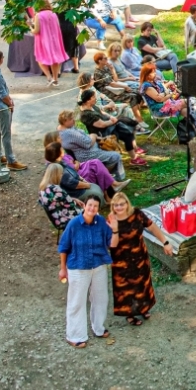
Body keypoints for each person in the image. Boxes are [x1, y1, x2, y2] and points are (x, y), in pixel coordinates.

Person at [58, 197, 115, 347]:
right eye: (90, 205)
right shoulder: (74, 224)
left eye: (95, 206)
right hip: (78, 266)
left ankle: (98, 328)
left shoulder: (101, 222)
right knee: (77, 301)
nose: (92, 208)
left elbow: (112, 243)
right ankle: (75, 335)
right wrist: (63, 269)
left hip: (98, 265)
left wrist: (115, 228)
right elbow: (63, 247)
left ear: (98, 208)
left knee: (101, 298)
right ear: (85, 206)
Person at [108, 192, 167, 326]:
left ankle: (143, 308)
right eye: (116, 205)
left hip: (139, 256)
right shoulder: (111, 220)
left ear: (127, 203)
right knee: (127, 289)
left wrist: (165, 242)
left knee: (143, 284)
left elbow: (151, 226)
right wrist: (115, 229)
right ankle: (130, 314)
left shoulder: (137, 214)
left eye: (122, 204)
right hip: (121, 262)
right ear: (113, 206)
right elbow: (112, 244)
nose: (119, 207)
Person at [60, 107, 128, 181]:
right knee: (116, 156)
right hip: (87, 154)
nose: (74, 120)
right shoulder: (69, 133)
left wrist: (96, 138)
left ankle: (108, 177)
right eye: (71, 119)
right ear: (65, 121)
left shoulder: (66, 128)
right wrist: (94, 135)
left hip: (89, 150)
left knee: (110, 146)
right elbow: (87, 144)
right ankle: (105, 177)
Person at [0, 50, 27, 171]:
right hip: (1, 107)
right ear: (1, 60)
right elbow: (3, 94)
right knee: (6, 134)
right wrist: (10, 104)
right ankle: (11, 160)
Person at [30, 2, 69, 85]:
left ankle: (49, 77)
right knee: (55, 59)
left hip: (43, 40)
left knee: (40, 58)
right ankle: (55, 78)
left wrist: (30, 26)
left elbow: (36, 30)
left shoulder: (38, 15)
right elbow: (58, 26)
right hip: (55, 40)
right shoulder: (54, 14)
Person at [38, 163, 82, 231]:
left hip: (56, 218)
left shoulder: (42, 189)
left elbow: (58, 201)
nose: (62, 175)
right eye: (61, 174)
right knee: (92, 213)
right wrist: (78, 204)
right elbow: (71, 205)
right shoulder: (56, 189)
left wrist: (73, 199)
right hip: (66, 220)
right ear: (56, 175)